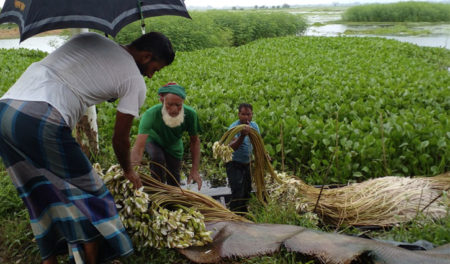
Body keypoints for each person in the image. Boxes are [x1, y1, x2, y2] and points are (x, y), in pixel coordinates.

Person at [0, 31, 174, 264]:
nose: (152, 76)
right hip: (42, 117)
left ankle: (50, 259)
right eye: (156, 69)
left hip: (7, 110)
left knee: (39, 190)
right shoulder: (135, 79)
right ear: (145, 57)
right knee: (95, 197)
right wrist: (129, 171)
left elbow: (79, 76)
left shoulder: (92, 38)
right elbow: (120, 139)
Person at [131, 83, 203, 190]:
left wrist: (195, 170)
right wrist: (132, 170)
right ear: (162, 100)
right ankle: (157, 190)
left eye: (178, 105)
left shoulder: (190, 115)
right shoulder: (150, 114)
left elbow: (194, 141)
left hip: (173, 144)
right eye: (169, 104)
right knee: (157, 158)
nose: (174, 110)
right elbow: (139, 146)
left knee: (174, 181)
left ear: (183, 102)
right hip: (153, 140)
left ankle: (171, 202)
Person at [226, 103, 260, 213]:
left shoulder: (254, 127)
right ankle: (235, 215)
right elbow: (231, 148)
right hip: (234, 164)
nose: (246, 117)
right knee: (237, 192)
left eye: (248, 114)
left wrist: (264, 155)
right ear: (238, 114)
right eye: (243, 114)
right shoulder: (233, 128)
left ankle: (243, 214)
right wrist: (242, 136)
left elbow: (258, 144)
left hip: (248, 164)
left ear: (252, 115)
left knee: (246, 191)